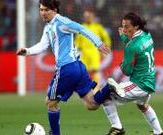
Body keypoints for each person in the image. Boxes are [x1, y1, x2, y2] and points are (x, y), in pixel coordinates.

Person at [16, 0, 117, 135]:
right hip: (78, 68)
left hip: (67, 69)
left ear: (55, 10)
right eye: (41, 10)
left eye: (46, 10)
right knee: (91, 104)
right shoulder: (48, 27)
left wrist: (98, 43)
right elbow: (42, 45)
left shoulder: (62, 22)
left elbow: (82, 29)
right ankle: (109, 87)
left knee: (50, 103)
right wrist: (27, 51)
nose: (43, 13)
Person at [106, 12, 163, 135]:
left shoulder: (131, 46)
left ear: (136, 26)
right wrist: (124, 36)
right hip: (150, 80)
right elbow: (136, 42)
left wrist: (122, 64)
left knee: (106, 96)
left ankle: (117, 127)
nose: (124, 29)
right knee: (142, 106)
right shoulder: (147, 35)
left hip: (139, 84)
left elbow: (127, 71)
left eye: (127, 26)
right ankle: (159, 133)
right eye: (123, 26)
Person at [75, 8, 112, 89]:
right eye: (86, 16)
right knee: (83, 72)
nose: (88, 17)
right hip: (83, 53)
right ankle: (84, 89)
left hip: (94, 52)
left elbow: (106, 37)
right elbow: (77, 41)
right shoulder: (81, 27)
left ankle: (96, 88)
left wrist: (107, 47)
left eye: (89, 16)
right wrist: (76, 50)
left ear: (93, 17)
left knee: (95, 70)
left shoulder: (98, 27)